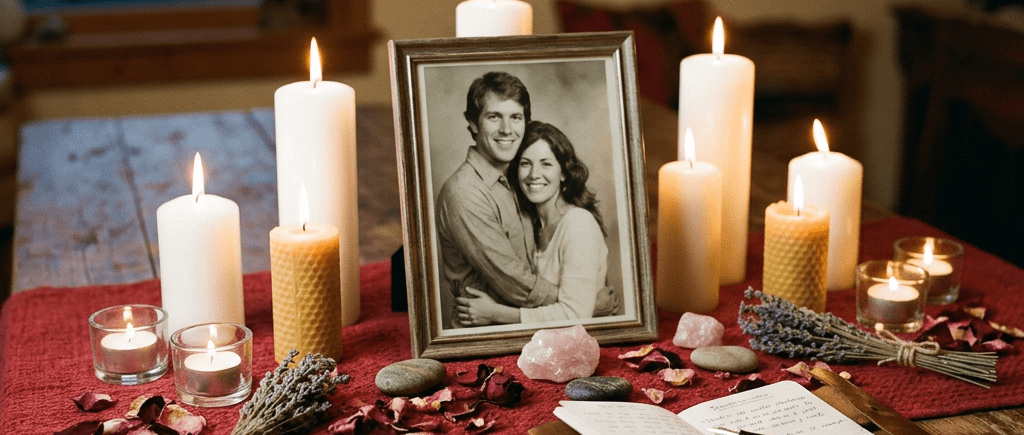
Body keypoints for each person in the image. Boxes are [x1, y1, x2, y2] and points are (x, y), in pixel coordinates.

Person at [435, 72, 559, 328]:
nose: (507, 130)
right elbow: (517, 286)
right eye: (494, 117)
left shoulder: (522, 178)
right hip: (487, 337)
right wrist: (585, 301)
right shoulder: (465, 192)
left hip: (533, 327)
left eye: (516, 117)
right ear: (473, 122)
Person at [454, 121, 610, 325]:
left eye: (546, 164)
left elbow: (575, 315)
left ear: (563, 173)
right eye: (525, 163)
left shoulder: (578, 224)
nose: (534, 174)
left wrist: (496, 314)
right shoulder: (528, 222)